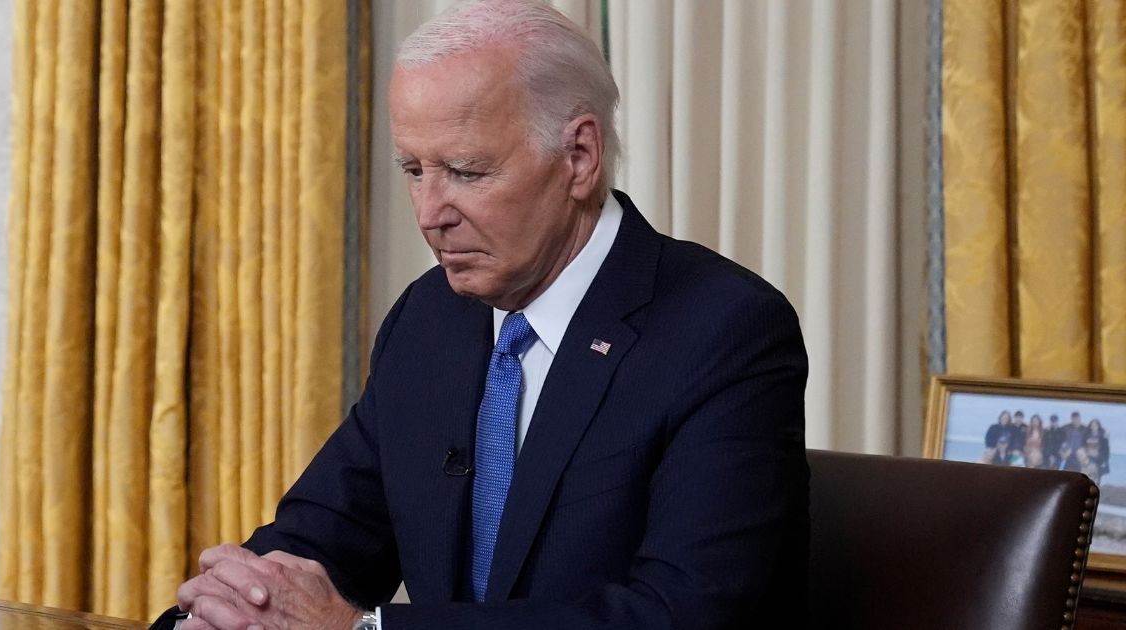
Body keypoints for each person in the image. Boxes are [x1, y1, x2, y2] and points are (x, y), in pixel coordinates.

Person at [155, 2, 809, 629]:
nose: (429, 211)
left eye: (465, 172)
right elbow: (320, 541)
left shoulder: (725, 331)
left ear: (579, 156)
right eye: (414, 169)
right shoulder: (429, 320)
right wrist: (224, 611)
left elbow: (679, 615)